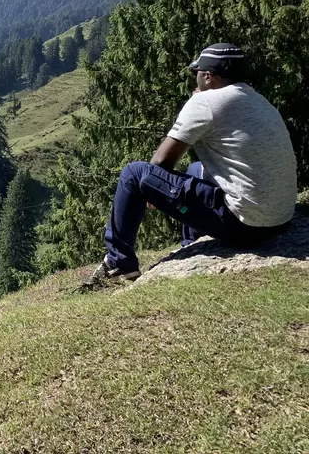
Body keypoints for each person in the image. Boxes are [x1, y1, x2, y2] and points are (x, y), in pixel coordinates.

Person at [86, 43, 298, 286]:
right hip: (280, 218)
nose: (194, 79)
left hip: (245, 224)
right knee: (196, 170)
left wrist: (154, 192)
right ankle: (194, 244)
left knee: (134, 174)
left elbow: (160, 162)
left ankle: (118, 263)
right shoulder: (258, 100)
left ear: (208, 76)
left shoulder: (205, 102)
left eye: (197, 73)